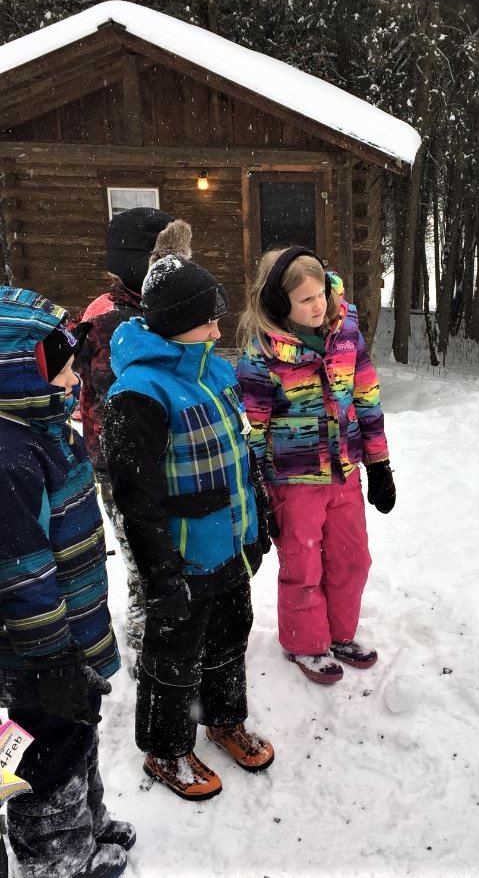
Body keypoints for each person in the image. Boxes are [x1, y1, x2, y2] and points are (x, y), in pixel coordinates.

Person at [101, 251, 275, 800]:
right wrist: (160, 576)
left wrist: (259, 519)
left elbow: (240, 454)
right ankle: (165, 748)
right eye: (208, 320)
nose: (219, 329)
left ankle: (224, 717)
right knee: (172, 655)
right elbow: (135, 498)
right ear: (175, 325)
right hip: (179, 556)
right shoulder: (138, 394)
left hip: (228, 544)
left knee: (230, 636)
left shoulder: (215, 370)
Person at [0, 286, 131, 878]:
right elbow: (21, 576)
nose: (79, 372)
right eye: (66, 363)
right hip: (36, 656)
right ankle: (58, 860)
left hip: (71, 633)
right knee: (47, 760)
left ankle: (89, 824)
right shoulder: (11, 460)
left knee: (80, 736)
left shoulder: (49, 430)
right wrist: (52, 662)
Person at [235, 246, 395, 684]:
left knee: (352, 558)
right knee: (303, 566)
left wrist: (379, 463)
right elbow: (251, 425)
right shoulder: (262, 353)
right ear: (279, 303)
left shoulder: (345, 334)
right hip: (292, 479)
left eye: (321, 293)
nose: (319, 305)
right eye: (305, 299)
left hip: (344, 471)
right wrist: (255, 488)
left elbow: (366, 395)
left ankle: (340, 633)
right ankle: (305, 643)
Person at [79, 207, 180, 658]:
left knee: (168, 546)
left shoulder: (157, 306)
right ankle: (149, 642)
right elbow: (115, 386)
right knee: (143, 554)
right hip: (121, 460)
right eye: (168, 257)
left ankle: (172, 625)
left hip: (165, 452)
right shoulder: (110, 316)